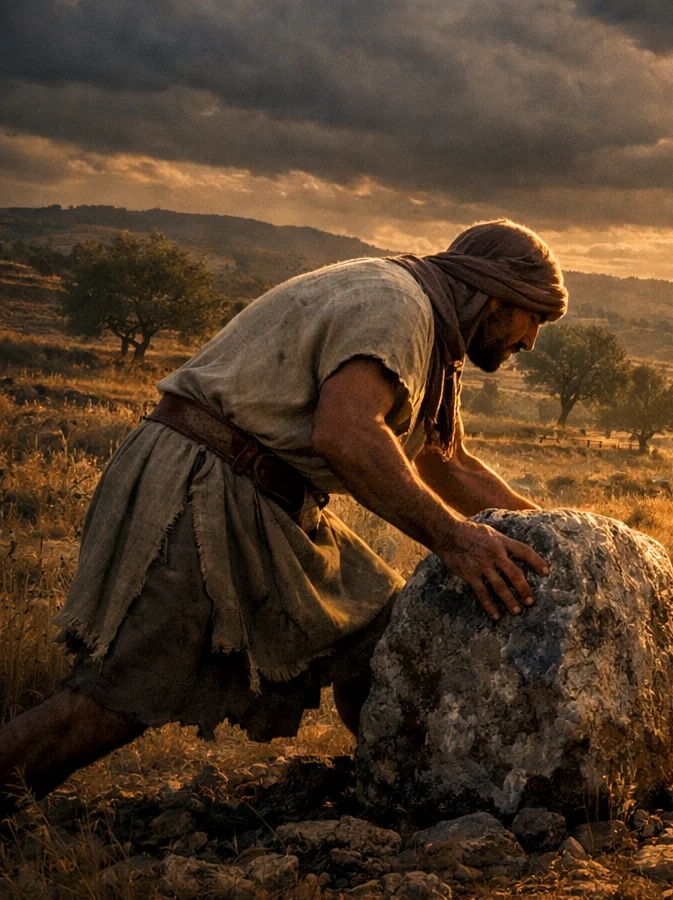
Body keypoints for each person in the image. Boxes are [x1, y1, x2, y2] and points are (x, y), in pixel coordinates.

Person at [0, 220, 569, 813]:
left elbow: (447, 463)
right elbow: (347, 433)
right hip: (203, 483)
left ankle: (397, 788)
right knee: (118, 696)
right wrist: (455, 539)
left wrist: (560, 533)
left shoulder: (426, 327)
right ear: (495, 294)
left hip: (265, 493)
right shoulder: (398, 306)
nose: (531, 340)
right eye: (534, 317)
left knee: (381, 627)